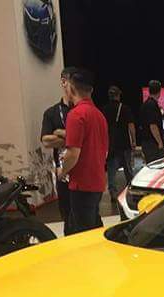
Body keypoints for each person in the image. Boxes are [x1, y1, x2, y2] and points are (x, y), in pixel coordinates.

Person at [57, 68, 108, 234]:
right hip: (97, 181)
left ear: (71, 88)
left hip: (82, 184)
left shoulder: (76, 115)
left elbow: (73, 153)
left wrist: (62, 171)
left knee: (83, 233)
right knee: (93, 226)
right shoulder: (99, 115)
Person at [40, 71, 73, 231]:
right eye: (71, 81)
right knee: (67, 215)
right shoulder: (51, 113)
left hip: (84, 172)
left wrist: (60, 133)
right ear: (63, 82)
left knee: (88, 215)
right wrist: (74, 138)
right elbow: (46, 140)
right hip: (63, 173)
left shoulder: (84, 110)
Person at [102, 85, 137, 209]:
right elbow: (131, 126)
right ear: (118, 95)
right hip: (124, 143)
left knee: (111, 171)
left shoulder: (104, 109)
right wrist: (133, 141)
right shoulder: (125, 109)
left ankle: (113, 193)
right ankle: (131, 190)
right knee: (128, 169)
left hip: (111, 144)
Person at [140, 79, 164, 162]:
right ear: (159, 91)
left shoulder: (145, 104)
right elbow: (153, 126)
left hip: (147, 143)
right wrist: (160, 142)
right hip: (152, 144)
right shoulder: (152, 105)